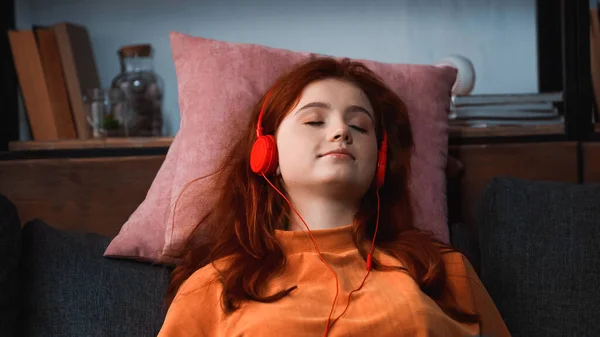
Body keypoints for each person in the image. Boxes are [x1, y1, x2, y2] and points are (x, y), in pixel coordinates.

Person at [157, 57, 510, 337]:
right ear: (267, 153)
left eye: (359, 126)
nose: (341, 131)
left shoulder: (442, 272)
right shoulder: (215, 284)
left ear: (380, 161)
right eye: (314, 121)